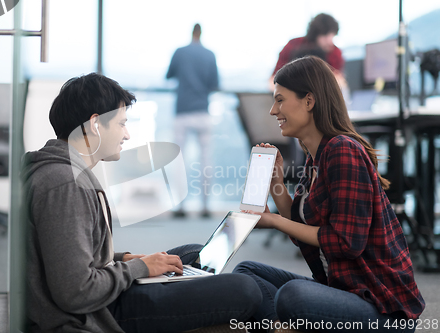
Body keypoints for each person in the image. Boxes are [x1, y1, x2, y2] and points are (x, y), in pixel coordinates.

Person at [21, 73, 261, 333]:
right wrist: (137, 269)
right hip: (96, 314)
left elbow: (62, 252)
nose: (127, 134)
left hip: (100, 298)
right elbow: (76, 292)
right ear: (95, 125)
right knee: (243, 288)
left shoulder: (63, 173)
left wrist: (121, 259)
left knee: (191, 254)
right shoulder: (66, 184)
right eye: (122, 123)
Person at [233, 56, 425, 333]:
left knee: (292, 296)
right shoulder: (315, 157)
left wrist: (273, 221)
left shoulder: (342, 151)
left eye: (280, 100)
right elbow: (303, 227)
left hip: (380, 307)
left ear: (309, 101)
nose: (273, 110)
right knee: (247, 275)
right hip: (338, 287)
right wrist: (276, 182)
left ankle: (289, 325)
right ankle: (286, 327)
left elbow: (347, 242)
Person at [166, 23, 219, 218]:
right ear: (202, 33)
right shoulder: (210, 54)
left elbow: (169, 75)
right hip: (203, 112)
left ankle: (180, 206)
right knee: (206, 159)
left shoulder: (180, 52)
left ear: (191, 33)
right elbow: (214, 83)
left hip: (183, 112)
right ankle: (206, 206)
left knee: (180, 160)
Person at [269, 14, 347, 94]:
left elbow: (339, 82)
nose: (329, 41)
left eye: (332, 35)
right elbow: (273, 81)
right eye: (325, 36)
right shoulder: (294, 45)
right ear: (315, 35)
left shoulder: (334, 52)